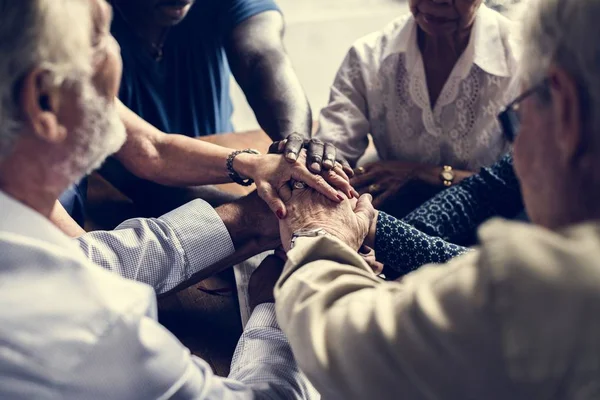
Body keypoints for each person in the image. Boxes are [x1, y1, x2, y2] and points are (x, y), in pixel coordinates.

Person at [274, 0, 600, 398]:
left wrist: (317, 234)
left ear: (564, 107)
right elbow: (485, 191)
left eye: (519, 114)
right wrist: (372, 226)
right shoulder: (372, 55)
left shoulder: (541, 279)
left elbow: (345, 344)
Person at [0, 0, 321, 397]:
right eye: (99, 38)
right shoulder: (98, 328)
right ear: (43, 99)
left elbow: (89, 256)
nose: (116, 50)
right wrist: (273, 309)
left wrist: (250, 212)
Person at [58, 0, 353, 225]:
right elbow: (148, 158)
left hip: (205, 172)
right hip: (117, 196)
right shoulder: (70, 23)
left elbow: (262, 57)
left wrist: (295, 148)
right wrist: (273, 212)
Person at [314, 0, 519, 215]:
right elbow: (332, 150)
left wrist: (429, 175)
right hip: (394, 220)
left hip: (494, 223)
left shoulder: (525, 60)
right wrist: (323, 169)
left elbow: (532, 183)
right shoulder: (368, 57)